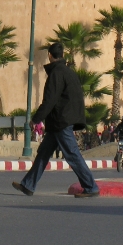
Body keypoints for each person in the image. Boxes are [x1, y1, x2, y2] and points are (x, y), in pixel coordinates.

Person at [12, 43, 98, 198]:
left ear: (50, 55)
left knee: (72, 154)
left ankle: (91, 187)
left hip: (61, 122)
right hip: (59, 122)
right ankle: (28, 185)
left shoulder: (57, 73)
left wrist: (36, 119)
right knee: (43, 153)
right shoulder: (69, 72)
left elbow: (50, 100)